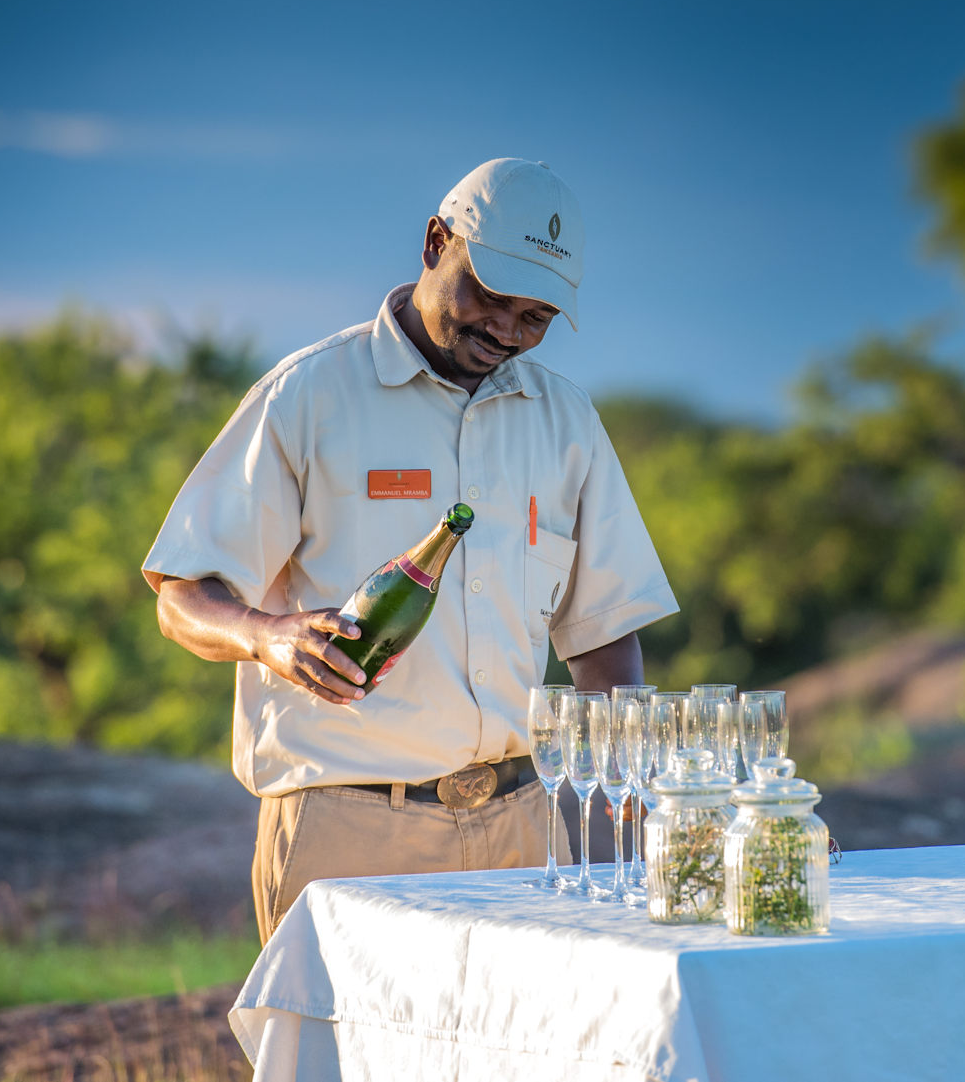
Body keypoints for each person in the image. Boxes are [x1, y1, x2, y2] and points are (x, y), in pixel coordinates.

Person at [143, 158, 678, 941]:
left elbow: (602, 633)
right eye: (491, 296)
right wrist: (270, 635)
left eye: (535, 318)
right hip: (349, 833)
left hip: (522, 831)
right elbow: (181, 594)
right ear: (435, 242)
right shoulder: (308, 394)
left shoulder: (566, 422)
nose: (506, 330)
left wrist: (641, 797)